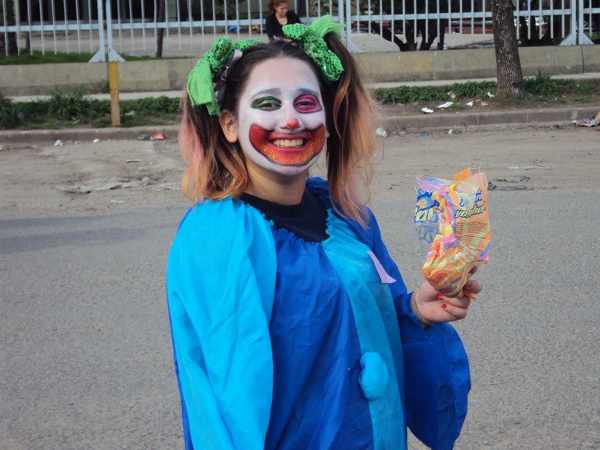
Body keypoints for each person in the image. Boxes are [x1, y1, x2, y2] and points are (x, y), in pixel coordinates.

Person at [166, 15, 481, 450]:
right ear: (229, 125)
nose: (291, 120)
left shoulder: (349, 217)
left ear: (328, 118)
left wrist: (416, 312)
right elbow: (224, 402)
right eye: (268, 104)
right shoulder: (218, 237)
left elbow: (369, 327)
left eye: (306, 103)